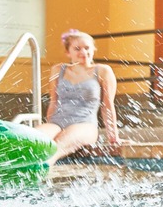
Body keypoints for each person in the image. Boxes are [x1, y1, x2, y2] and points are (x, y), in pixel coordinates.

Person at [36, 29, 121, 165]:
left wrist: (113, 138)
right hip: (57, 123)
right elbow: (53, 101)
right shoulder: (58, 69)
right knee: (33, 141)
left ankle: (38, 178)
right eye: (77, 49)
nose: (83, 52)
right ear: (68, 52)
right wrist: (49, 125)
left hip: (84, 125)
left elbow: (108, 105)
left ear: (93, 49)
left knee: (53, 150)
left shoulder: (103, 71)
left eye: (87, 48)